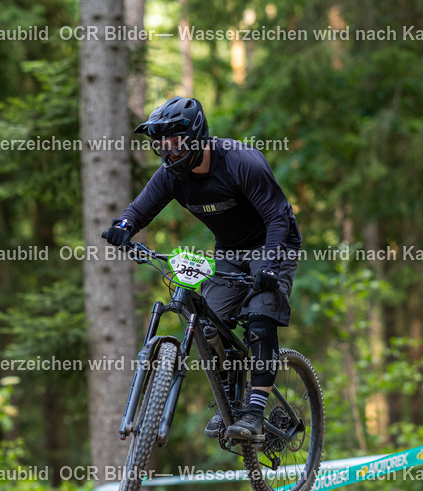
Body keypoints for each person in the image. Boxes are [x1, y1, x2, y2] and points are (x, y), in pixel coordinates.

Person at [104, 96, 302, 439]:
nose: (168, 152)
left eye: (175, 142)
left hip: (273, 243)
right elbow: (139, 210)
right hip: (230, 250)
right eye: (161, 145)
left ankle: (255, 412)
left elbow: (276, 216)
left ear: (196, 137)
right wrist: (123, 227)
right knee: (210, 323)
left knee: (260, 318)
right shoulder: (171, 176)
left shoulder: (241, 161)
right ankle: (228, 402)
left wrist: (270, 266)